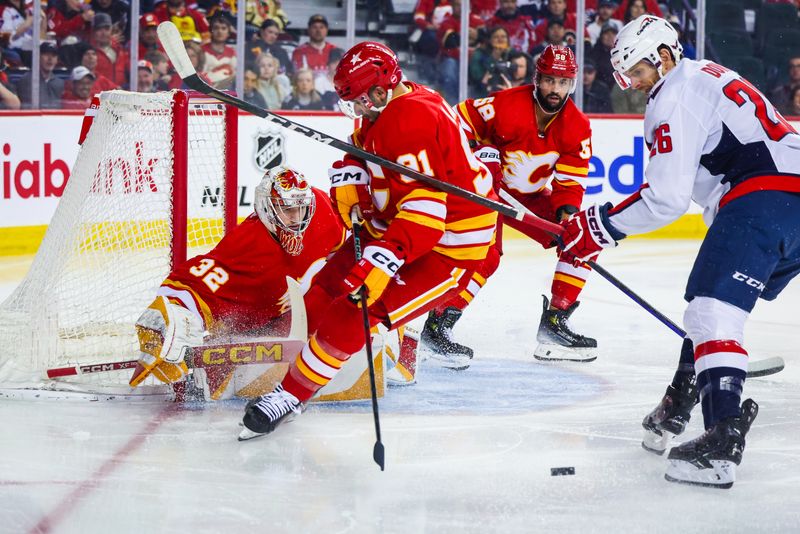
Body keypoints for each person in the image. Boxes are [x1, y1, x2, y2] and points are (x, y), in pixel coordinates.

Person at [560, 15, 800, 488]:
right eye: (625, 75)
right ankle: (681, 399)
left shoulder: (671, 97)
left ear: (666, 57)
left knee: (712, 313)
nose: (633, 84)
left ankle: (721, 439)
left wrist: (598, 226)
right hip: (786, 200)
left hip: (763, 199)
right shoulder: (705, 74)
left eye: (639, 71)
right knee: (713, 312)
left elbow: (665, 199)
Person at [239, 41, 499, 439]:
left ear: (379, 92)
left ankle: (290, 396)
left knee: (355, 310)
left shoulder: (410, 118)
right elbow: (366, 147)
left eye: (358, 101)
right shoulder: (392, 104)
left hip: (448, 246)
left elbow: (427, 216)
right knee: (328, 284)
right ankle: (281, 349)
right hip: (397, 224)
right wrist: (350, 172)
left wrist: (382, 262)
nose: (356, 110)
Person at [422, 45, 597, 365]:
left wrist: (566, 219)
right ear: (537, 79)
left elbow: (569, 185)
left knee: (583, 238)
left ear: (571, 84)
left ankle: (554, 324)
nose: (555, 89)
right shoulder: (505, 105)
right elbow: (454, 122)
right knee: (485, 255)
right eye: (549, 81)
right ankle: (437, 327)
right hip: (481, 190)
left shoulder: (577, 126)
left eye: (562, 82)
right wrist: (478, 158)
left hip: (524, 197)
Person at [129, 166, 345, 396]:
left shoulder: (321, 210)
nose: (295, 219)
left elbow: (344, 249)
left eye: (301, 209)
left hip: (291, 316)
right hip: (245, 328)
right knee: (206, 394)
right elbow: (193, 284)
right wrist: (173, 318)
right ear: (267, 208)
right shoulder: (246, 244)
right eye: (286, 209)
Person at [16, 41, 64, 109]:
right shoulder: (27, 80)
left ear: (57, 60)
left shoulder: (60, 83)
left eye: (53, 55)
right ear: (37, 57)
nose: (50, 59)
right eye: (46, 54)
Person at [291, 14, 336, 79]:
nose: (318, 31)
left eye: (321, 27)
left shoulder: (334, 50)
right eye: (314, 27)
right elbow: (296, 77)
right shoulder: (299, 52)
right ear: (309, 30)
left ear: (326, 30)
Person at [201, 12, 236, 89]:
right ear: (211, 31)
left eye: (223, 28)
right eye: (216, 28)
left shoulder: (232, 52)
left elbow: (235, 76)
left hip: (227, 91)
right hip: (205, 90)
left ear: (228, 32)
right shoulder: (201, 50)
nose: (219, 31)